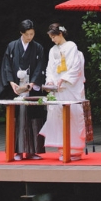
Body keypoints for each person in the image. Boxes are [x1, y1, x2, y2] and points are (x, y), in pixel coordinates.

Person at [0, 19, 46, 160]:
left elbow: (40, 67)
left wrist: (32, 83)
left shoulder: (38, 48)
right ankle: (18, 151)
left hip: (31, 87)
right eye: (27, 35)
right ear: (21, 33)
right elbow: (6, 66)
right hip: (16, 88)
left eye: (32, 34)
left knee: (34, 119)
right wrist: (12, 82)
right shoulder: (12, 46)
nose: (30, 37)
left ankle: (33, 151)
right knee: (18, 119)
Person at [39, 23, 86, 161]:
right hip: (57, 90)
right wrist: (50, 81)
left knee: (73, 116)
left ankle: (75, 150)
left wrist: (64, 79)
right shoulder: (52, 50)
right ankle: (62, 148)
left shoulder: (72, 46)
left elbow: (76, 66)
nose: (52, 40)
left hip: (70, 88)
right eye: (51, 37)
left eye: (54, 37)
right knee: (58, 117)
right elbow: (50, 68)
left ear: (60, 34)